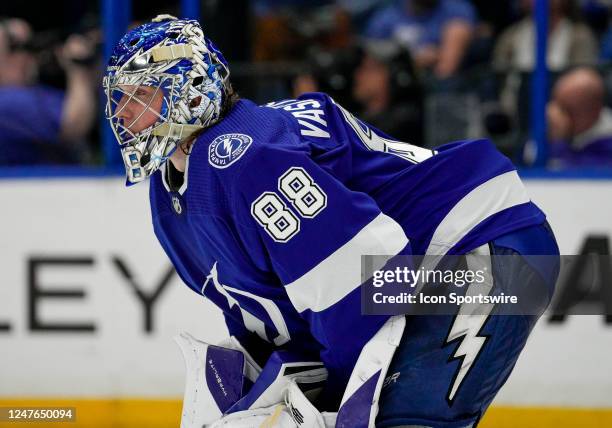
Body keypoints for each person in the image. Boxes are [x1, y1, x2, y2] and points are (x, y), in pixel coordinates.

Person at [103, 16, 560, 428]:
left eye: (142, 94)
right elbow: (276, 316)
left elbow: (365, 285)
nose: (124, 114)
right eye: (120, 98)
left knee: (405, 420)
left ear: (192, 88)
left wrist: (333, 397)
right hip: (423, 272)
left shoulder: (248, 158)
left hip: (482, 248)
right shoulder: (171, 193)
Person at [0, 18, 97, 165]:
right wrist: (78, 67)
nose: (28, 56)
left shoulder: (34, 92)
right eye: (16, 46)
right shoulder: (7, 102)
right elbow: (74, 125)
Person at [364, 0, 476, 79]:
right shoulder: (385, 17)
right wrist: (417, 60)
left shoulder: (456, 9)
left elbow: (446, 68)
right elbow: (371, 64)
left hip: (437, 87)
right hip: (397, 87)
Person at [546, 67, 612, 166]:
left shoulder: (607, 143)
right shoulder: (551, 131)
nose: (556, 115)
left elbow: (578, 173)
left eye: (566, 109)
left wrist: (559, 141)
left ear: (594, 110)